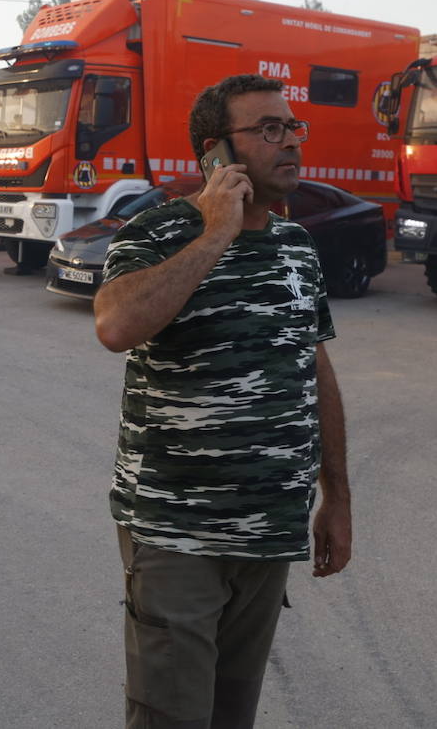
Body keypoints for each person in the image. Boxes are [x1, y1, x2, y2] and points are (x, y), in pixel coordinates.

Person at [93, 74, 351, 729]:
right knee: (171, 718)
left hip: (268, 533)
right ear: (216, 152)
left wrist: (338, 498)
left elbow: (312, 363)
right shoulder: (157, 233)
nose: (290, 141)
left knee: (232, 716)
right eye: (268, 129)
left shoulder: (297, 245)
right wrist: (213, 232)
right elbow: (116, 326)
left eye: (292, 127)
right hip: (179, 535)